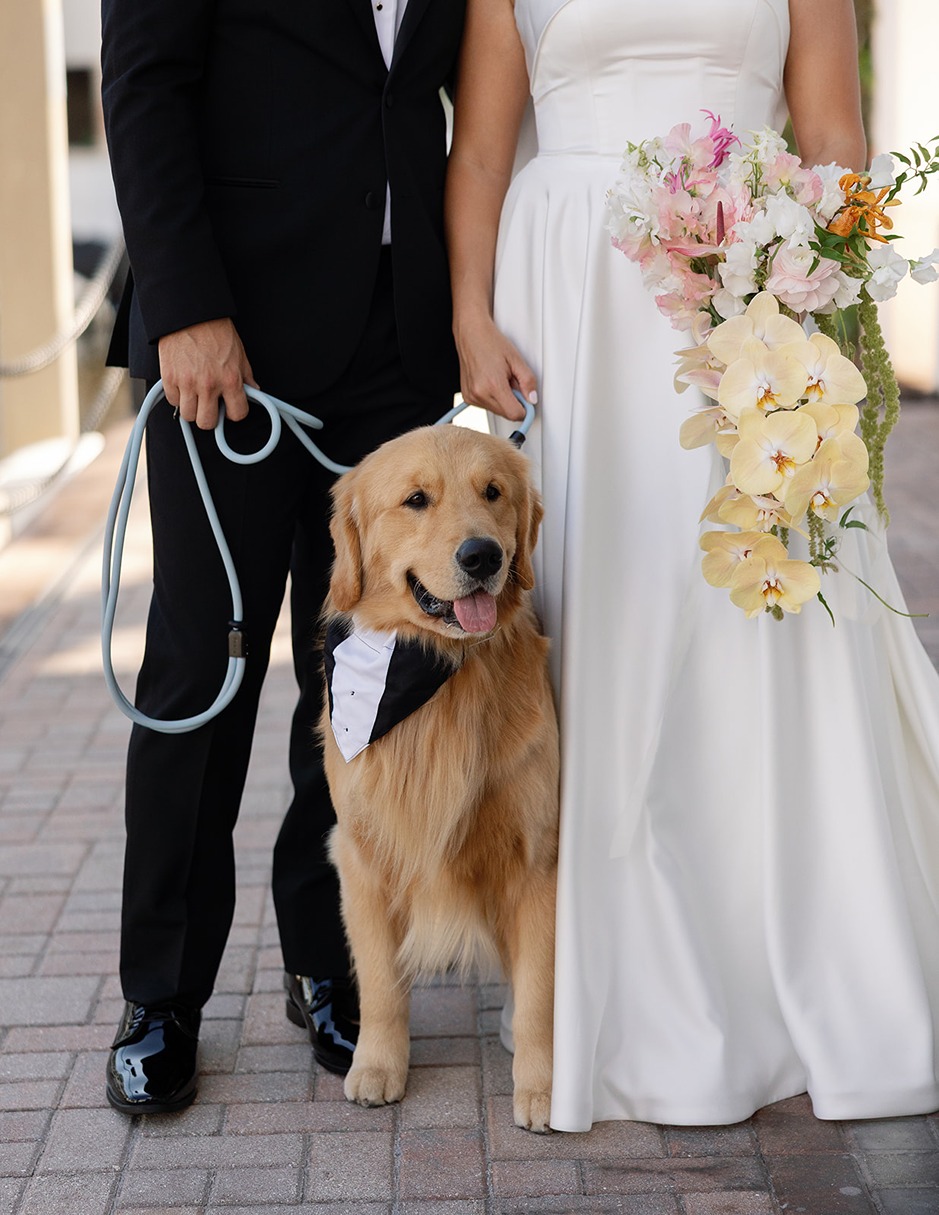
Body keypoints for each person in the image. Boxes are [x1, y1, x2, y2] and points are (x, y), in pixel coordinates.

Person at [446, 0, 939, 1130]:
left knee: (750, 612)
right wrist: (472, 313)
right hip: (569, 297)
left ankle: (775, 942)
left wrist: (814, 297)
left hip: (745, 296)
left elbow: (833, 135)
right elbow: (478, 151)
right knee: (607, 615)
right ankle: (603, 966)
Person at [100, 0, 465, 1113]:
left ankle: (332, 961)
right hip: (231, 339)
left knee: (363, 676)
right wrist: (186, 307)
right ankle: (162, 996)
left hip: (399, 342)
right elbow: (143, 85)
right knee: (201, 670)